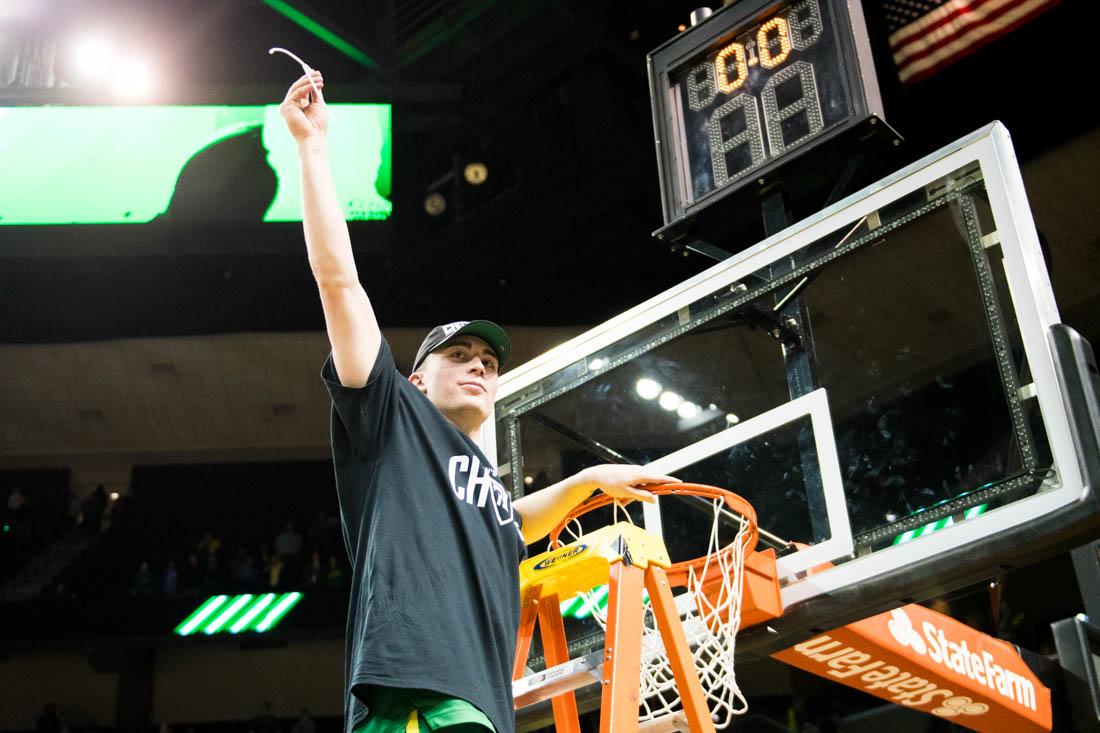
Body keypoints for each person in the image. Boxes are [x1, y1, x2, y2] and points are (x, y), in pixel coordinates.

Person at [279, 71, 677, 733]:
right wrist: (312, 149)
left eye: (488, 362)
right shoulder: (389, 418)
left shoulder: (479, 484)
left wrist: (585, 481)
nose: (479, 367)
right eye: (459, 356)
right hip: (412, 693)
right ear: (415, 380)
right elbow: (339, 282)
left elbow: (512, 523)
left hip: (476, 700)